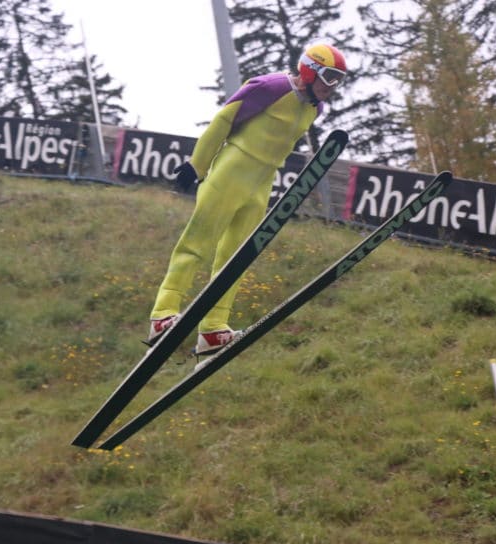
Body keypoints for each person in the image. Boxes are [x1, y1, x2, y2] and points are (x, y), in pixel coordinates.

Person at [148, 42, 347, 356]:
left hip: (262, 182)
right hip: (232, 171)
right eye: (330, 78)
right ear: (309, 71)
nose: (333, 87)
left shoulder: (314, 109)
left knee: (236, 258)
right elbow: (223, 121)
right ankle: (163, 313)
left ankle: (213, 328)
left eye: (339, 80)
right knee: (197, 243)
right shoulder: (270, 87)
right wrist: (196, 165)